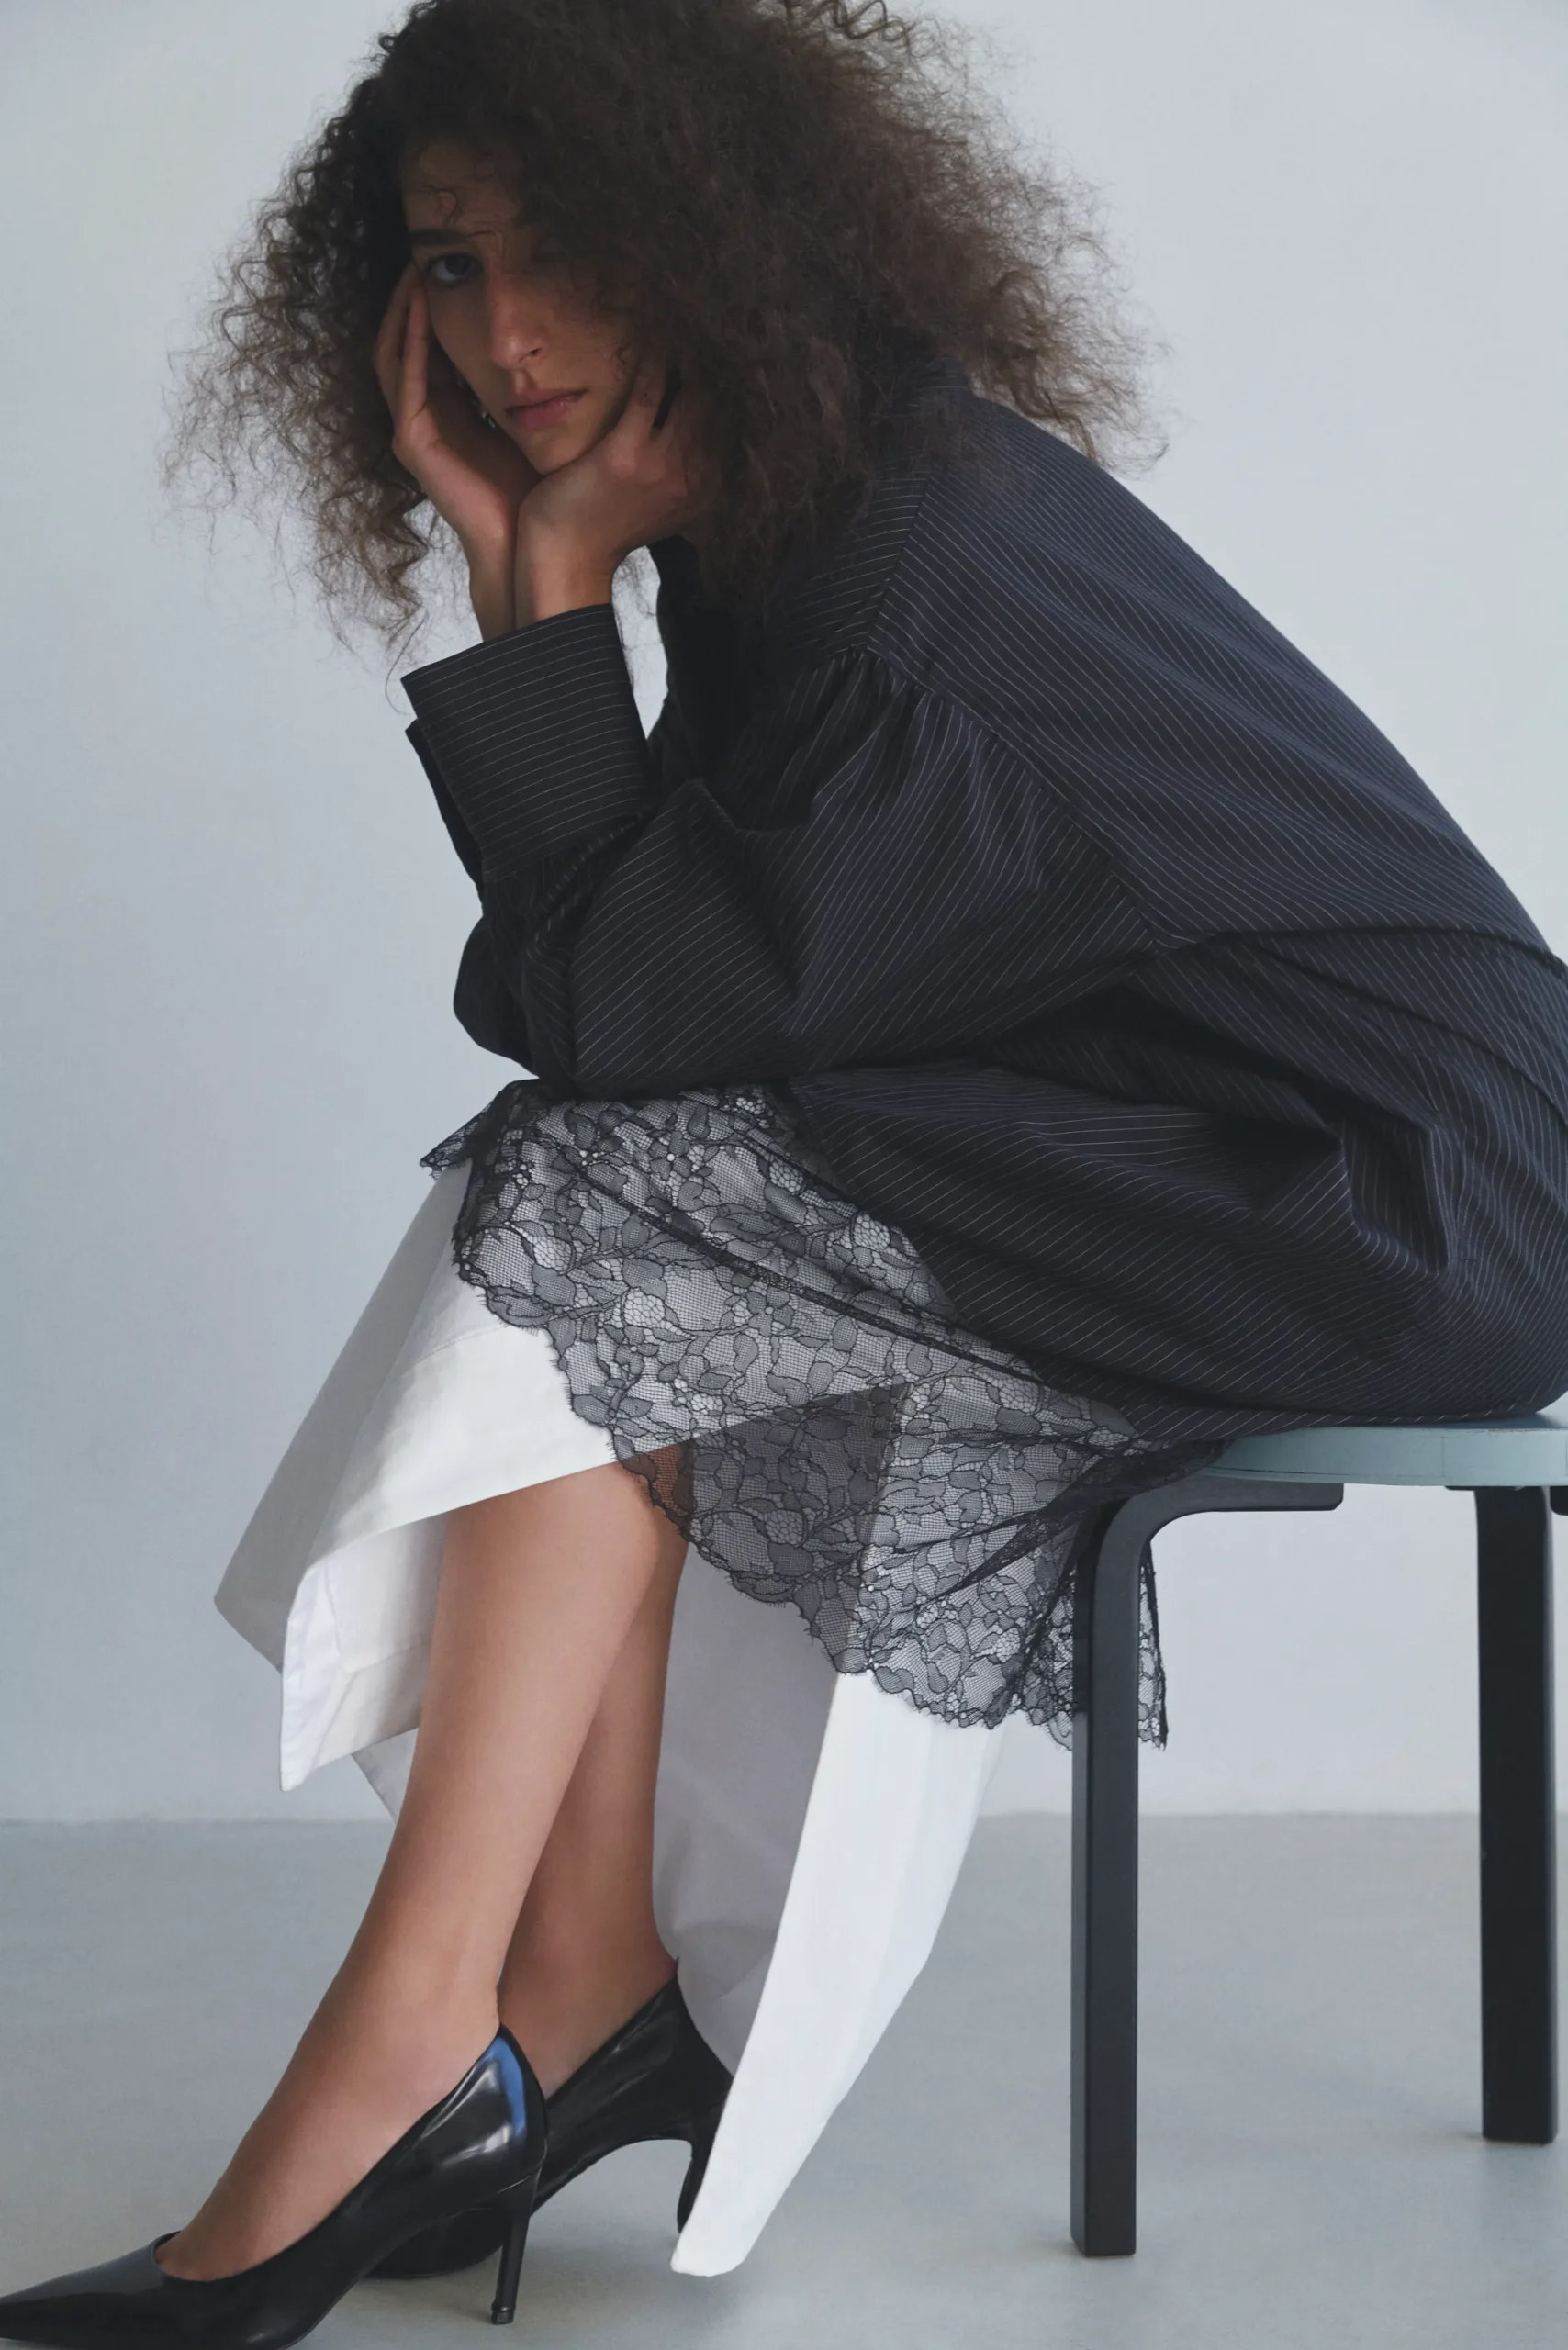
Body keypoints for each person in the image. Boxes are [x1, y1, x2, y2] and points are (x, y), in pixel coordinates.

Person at [7, 0, 1568, 2343]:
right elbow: (640, 994)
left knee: (610, 1190)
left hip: (1389, 1191)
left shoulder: (894, 578)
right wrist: (545, 588)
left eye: (566, 248)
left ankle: (448, 2018)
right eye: (451, 262)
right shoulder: (807, 517)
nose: (505, 336)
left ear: (717, 230)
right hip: (1220, 1136)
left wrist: (536, 598)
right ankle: (559, 1984)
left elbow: (621, 1007)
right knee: (627, 1200)